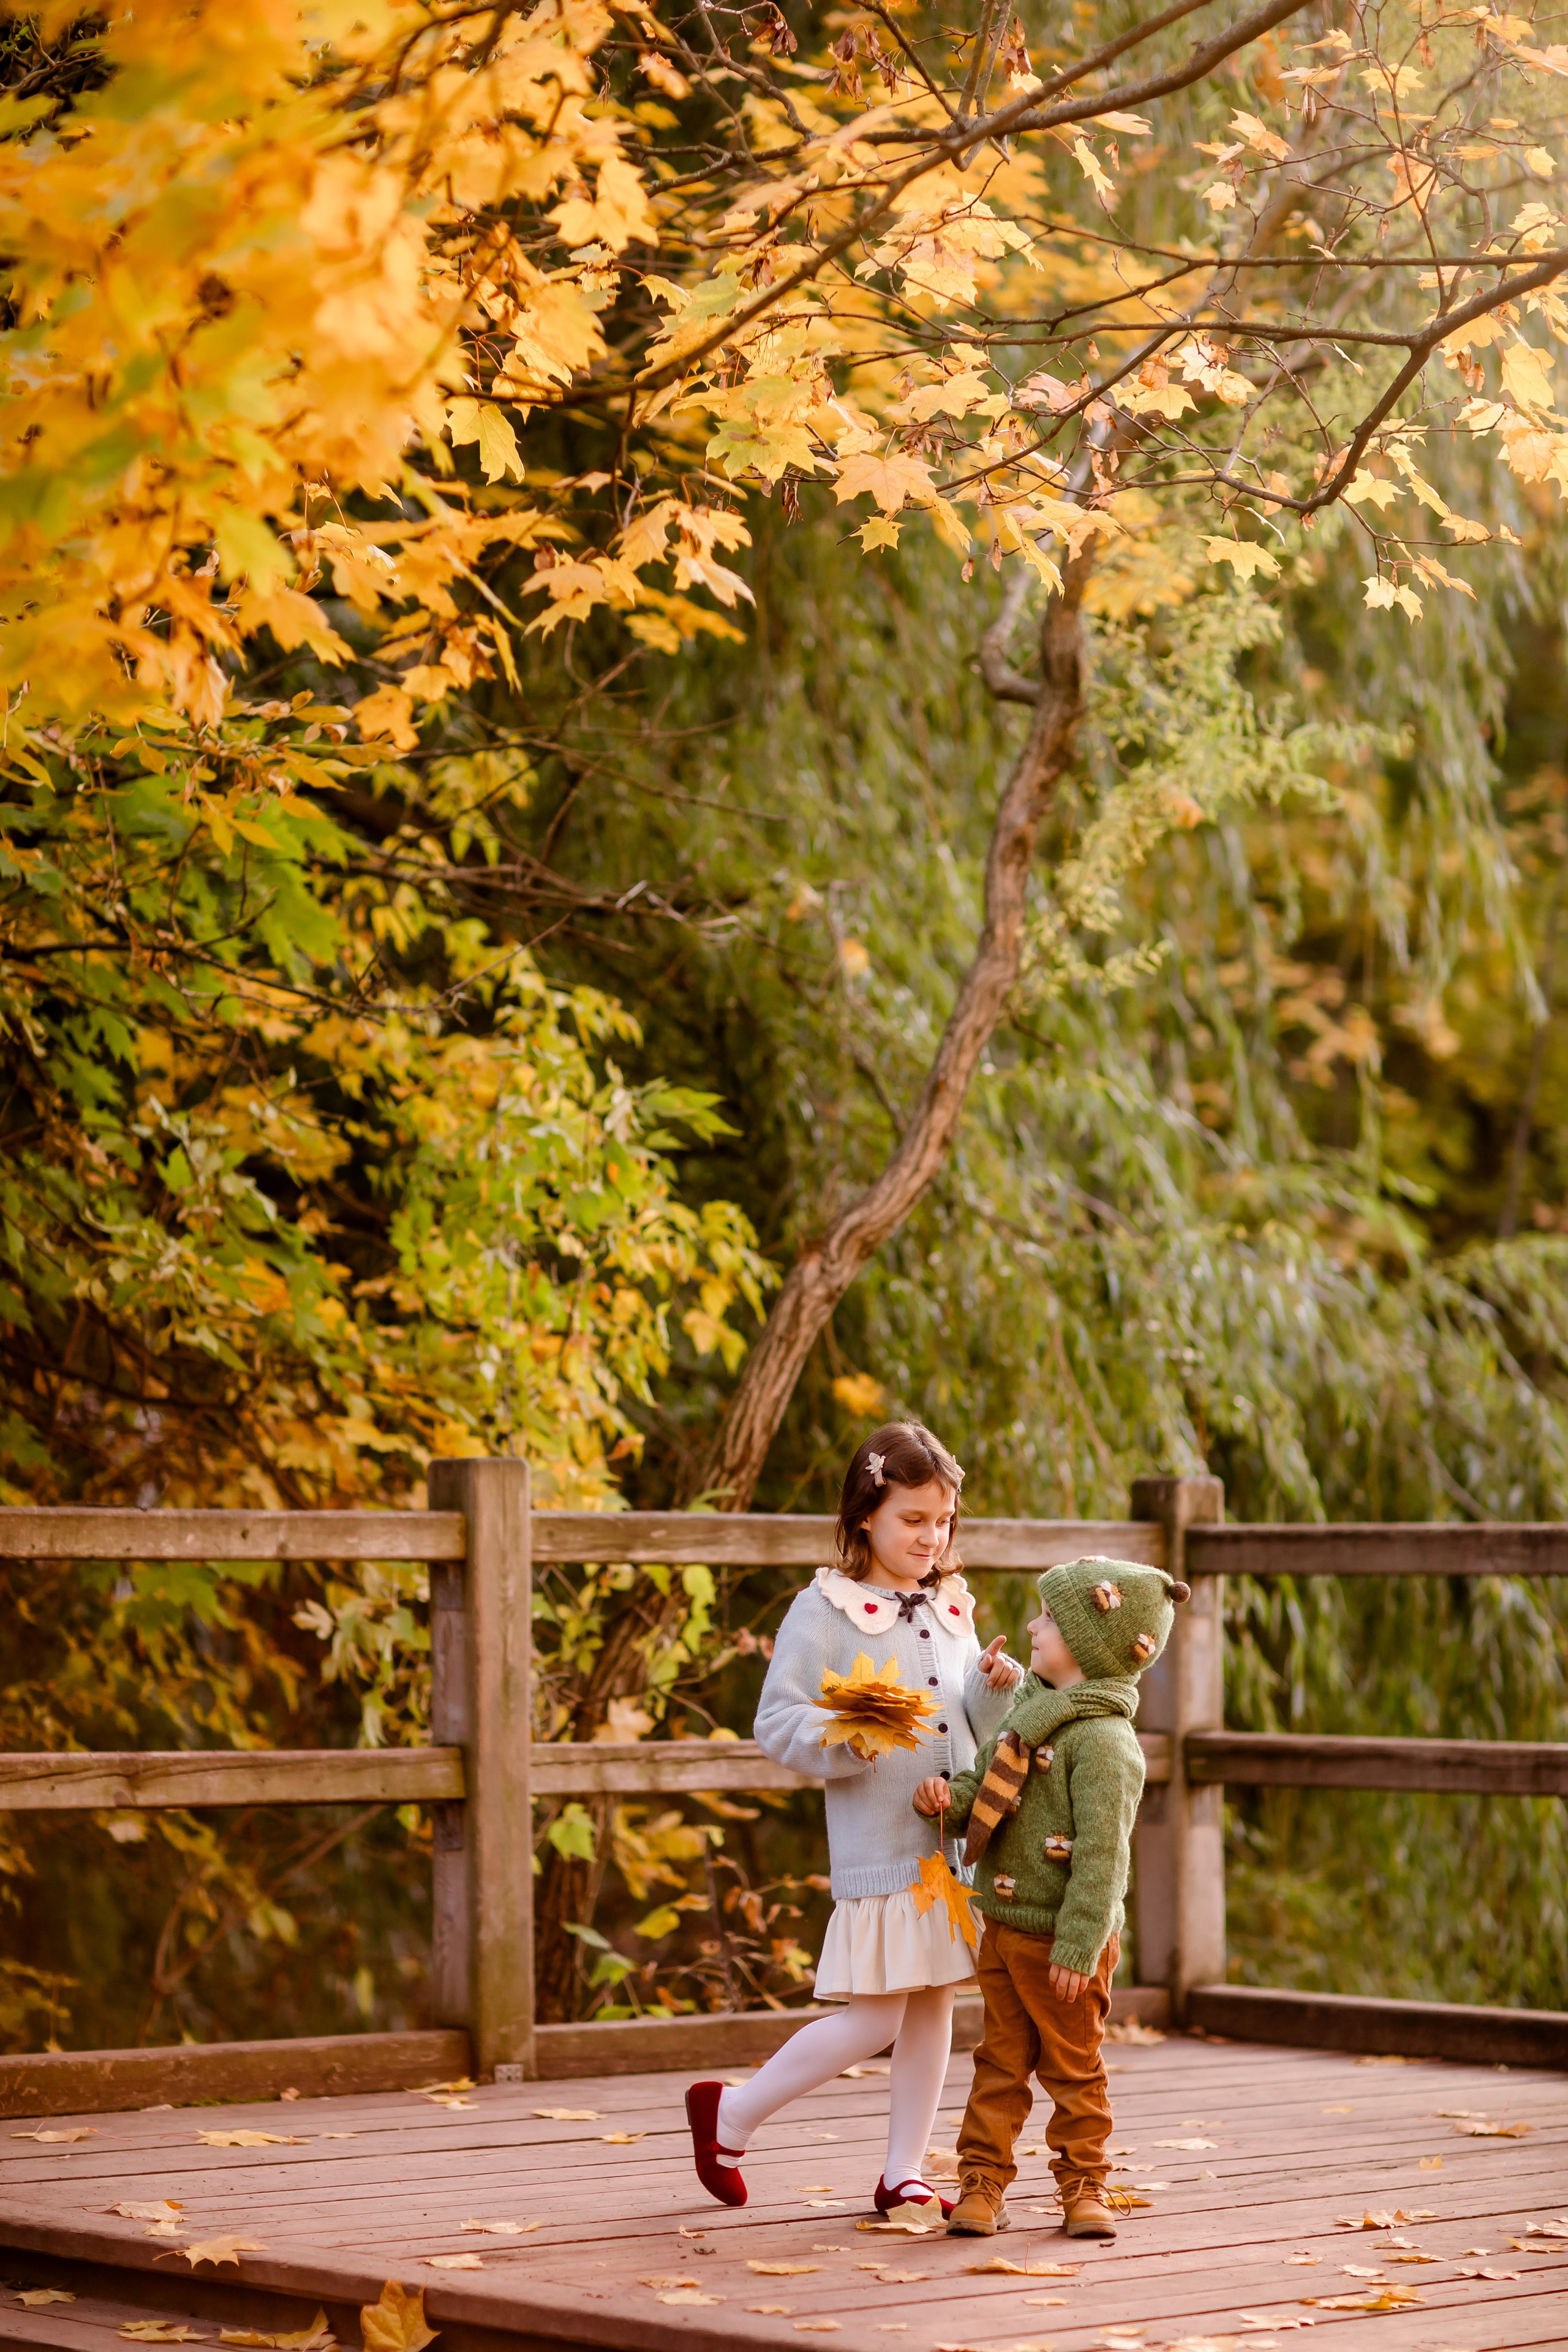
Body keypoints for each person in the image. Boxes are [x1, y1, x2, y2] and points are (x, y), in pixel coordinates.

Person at [684, 1421, 1023, 2216]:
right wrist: (849, 1738)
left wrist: (994, 1683)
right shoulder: (825, 1609)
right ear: (866, 1513)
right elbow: (777, 1723)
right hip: (881, 1852)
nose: (930, 1537)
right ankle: (730, 2113)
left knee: (936, 2003)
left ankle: (905, 2170)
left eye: (942, 1521)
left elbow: (962, 1717)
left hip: (949, 1856)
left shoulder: (951, 1604)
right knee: (874, 2017)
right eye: (913, 1520)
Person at [912, 1556, 1189, 2241]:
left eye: (1049, 1617)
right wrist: (944, 1806)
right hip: (1003, 1927)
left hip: (1066, 1943)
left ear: (1088, 1644)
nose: (1033, 1626)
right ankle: (981, 2183)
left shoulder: (1104, 1743)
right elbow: (983, 1788)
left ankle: (1084, 2186)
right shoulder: (1028, 1712)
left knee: (1073, 2070)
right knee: (999, 2064)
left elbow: (1104, 1859)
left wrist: (1078, 1944)